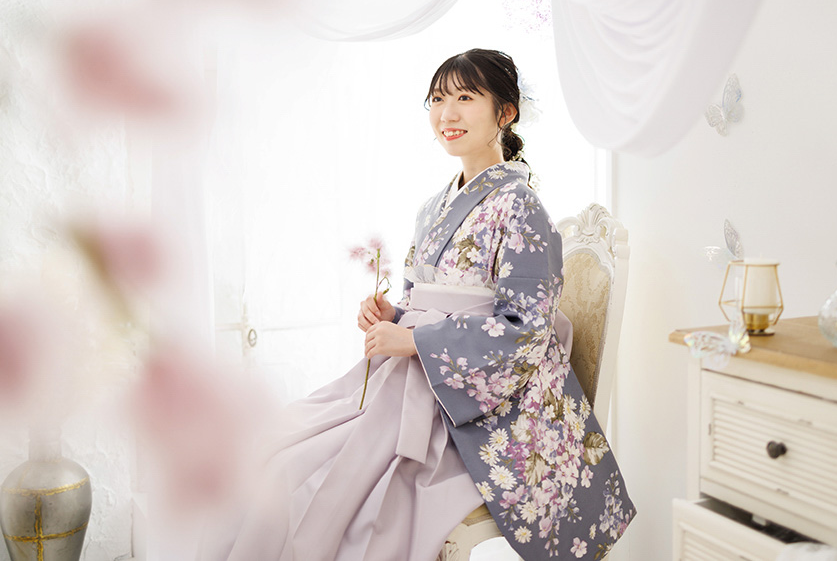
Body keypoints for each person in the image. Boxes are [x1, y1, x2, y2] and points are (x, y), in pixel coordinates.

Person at [201, 49, 634, 560]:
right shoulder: (433, 207)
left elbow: (526, 328)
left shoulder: (521, 207)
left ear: (506, 112)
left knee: (313, 480)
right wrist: (393, 316)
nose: (447, 114)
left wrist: (414, 340)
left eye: (465, 98)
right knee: (276, 452)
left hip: (475, 404)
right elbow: (416, 300)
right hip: (417, 381)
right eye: (437, 99)